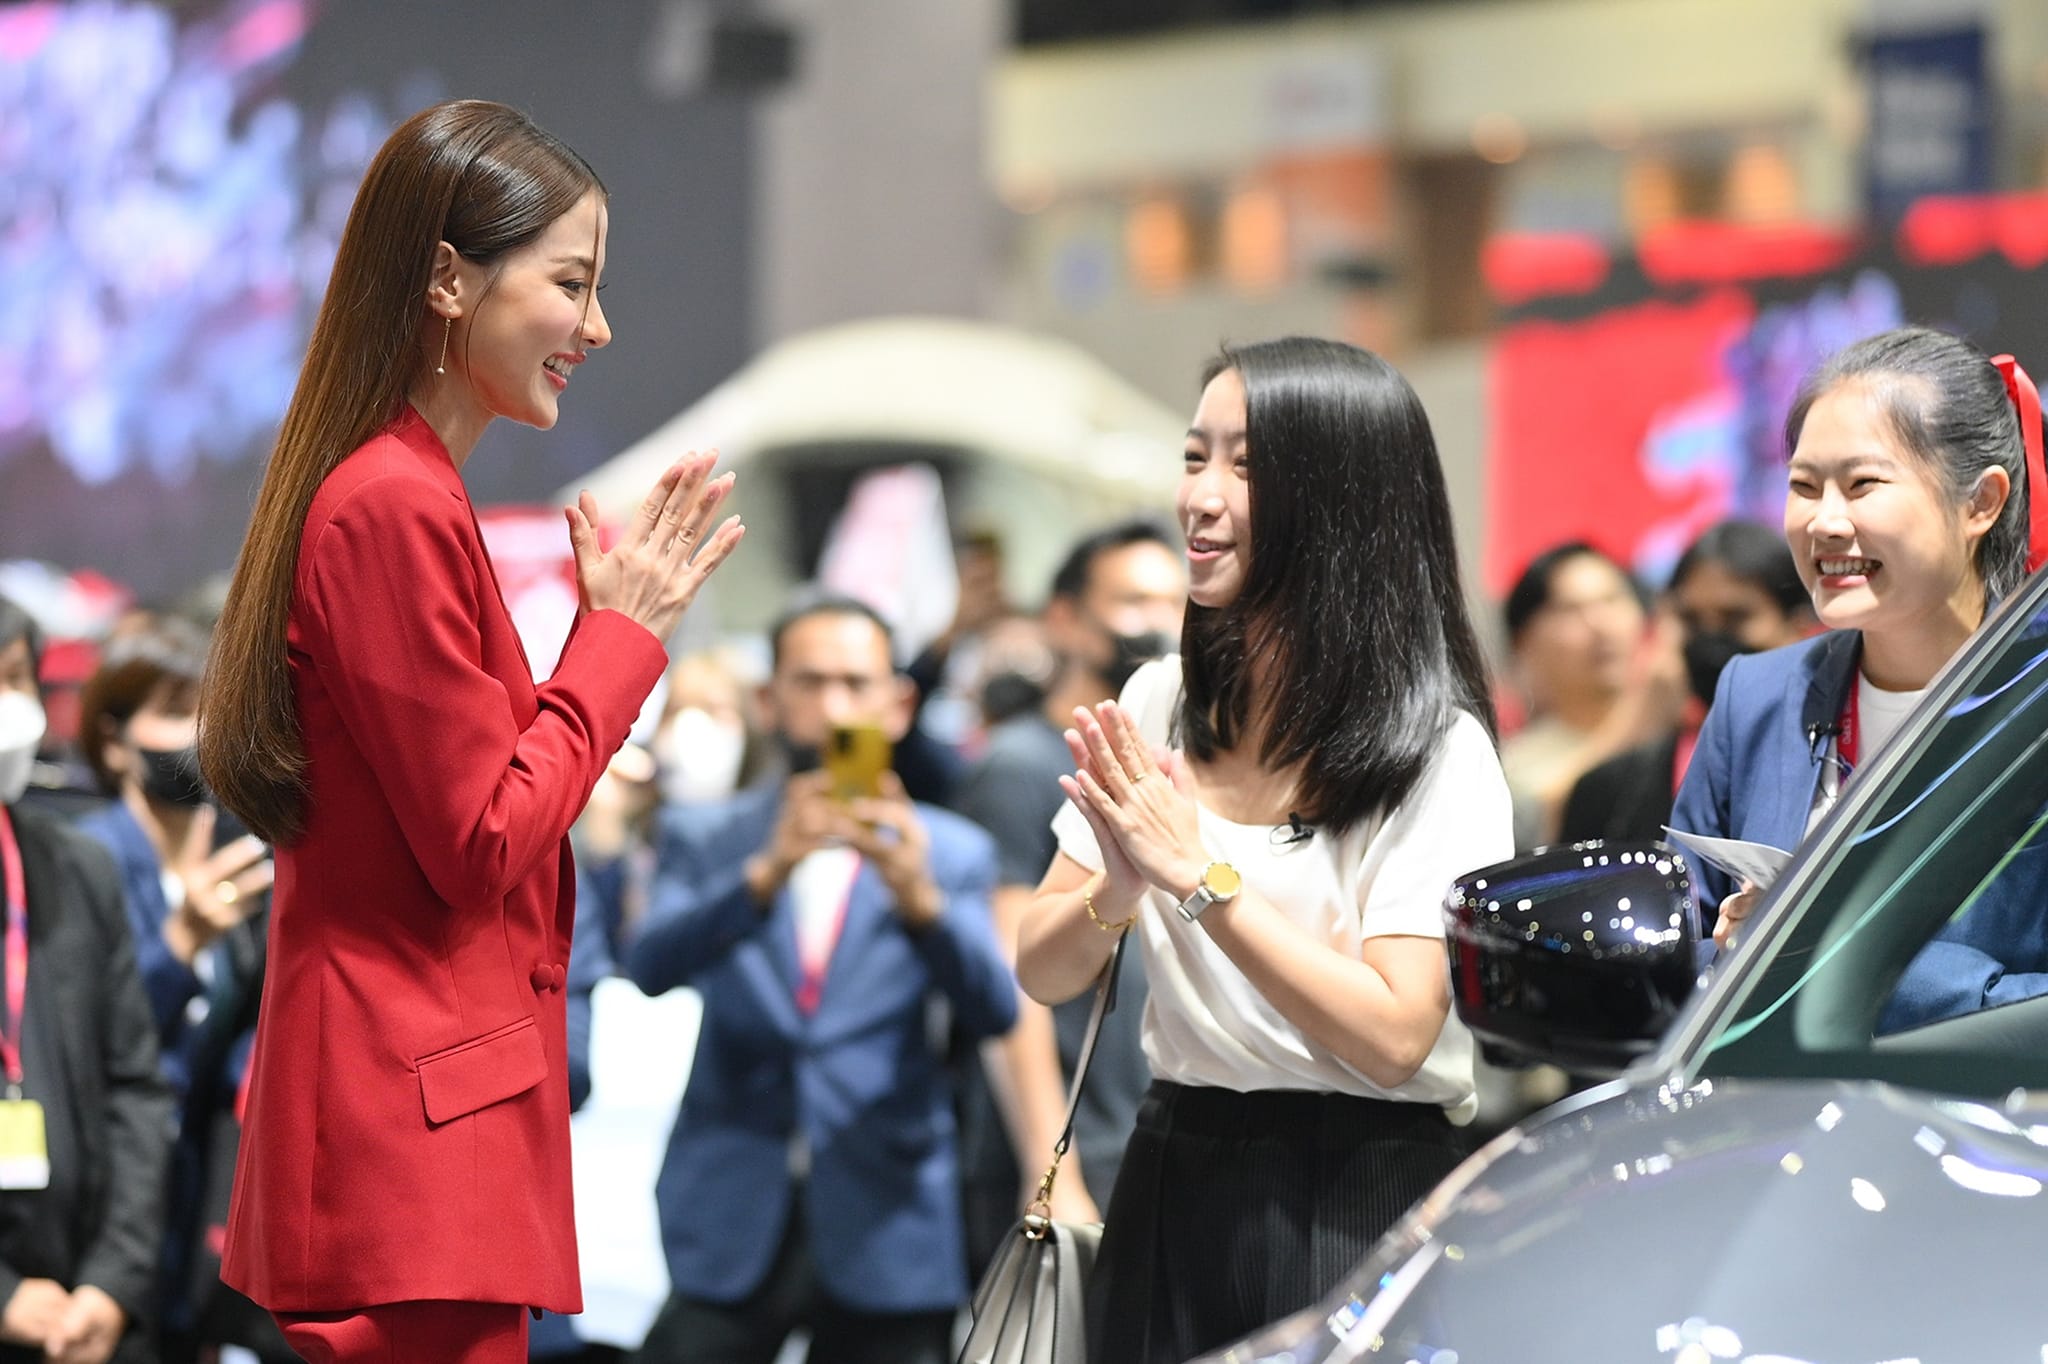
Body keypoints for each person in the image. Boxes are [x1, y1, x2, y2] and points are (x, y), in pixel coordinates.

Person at [196, 99, 745, 1362]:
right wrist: (618, 644)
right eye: (572, 283)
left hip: (416, 1122)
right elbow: (484, 834)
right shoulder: (390, 502)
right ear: (448, 278)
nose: (597, 328)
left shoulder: (393, 489)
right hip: (412, 1137)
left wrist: (604, 641)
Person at [1014, 337, 1513, 1364]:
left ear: (1341, 499)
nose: (1198, 497)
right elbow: (1041, 967)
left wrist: (1199, 880)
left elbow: (1394, 1035)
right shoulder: (1159, 697)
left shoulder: (1436, 748)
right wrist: (1118, 883)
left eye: (1243, 466)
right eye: (1193, 456)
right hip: (1172, 1164)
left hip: (1360, 1187)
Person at [623, 596, 1016, 1364]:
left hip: (888, 1216)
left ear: (899, 704)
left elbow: (997, 1009)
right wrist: (762, 875)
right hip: (730, 1204)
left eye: (856, 683)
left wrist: (922, 903)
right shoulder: (708, 835)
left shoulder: (949, 850)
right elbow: (649, 966)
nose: (835, 707)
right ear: (769, 700)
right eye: (810, 682)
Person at [1672, 326, 2043, 1026]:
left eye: (1862, 484)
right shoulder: (1756, 698)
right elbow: (1675, 956)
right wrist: (1731, 957)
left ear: (1981, 503)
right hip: (1768, 1096)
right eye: (1804, 487)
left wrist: (1839, 954)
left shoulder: (2036, 702)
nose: (1825, 522)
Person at [952, 520, 1184, 1273]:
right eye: (1133, 600)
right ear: (1065, 618)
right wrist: (1051, 1168)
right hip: (1068, 1142)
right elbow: (1009, 978)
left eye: (1173, 601)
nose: (1159, 622)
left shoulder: (1172, 757)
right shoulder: (1020, 764)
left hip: (1141, 1131)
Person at [70, 616, 285, 1362]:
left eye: (208, 707)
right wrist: (180, 945)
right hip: (101, 1203)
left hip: (193, 1211)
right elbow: (79, 1038)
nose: (198, 732)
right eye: (173, 710)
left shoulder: (235, 853)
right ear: (113, 742)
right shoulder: (81, 862)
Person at [0, 596, 174, 1364]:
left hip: (85, 1306)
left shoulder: (77, 867)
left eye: (14, 679)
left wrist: (113, 1282)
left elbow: (135, 1088)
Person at [1560, 520, 1814, 844]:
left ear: (1797, 625)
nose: (1710, 637)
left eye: (1735, 617)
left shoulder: (1835, 765)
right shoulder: (1608, 791)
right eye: (1691, 619)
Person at [1499, 542, 1684, 850]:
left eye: (1612, 599)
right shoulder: (1512, 769)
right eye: (1572, 609)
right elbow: (1537, 826)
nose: (1602, 625)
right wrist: (1643, 714)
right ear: (1523, 641)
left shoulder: (1682, 734)